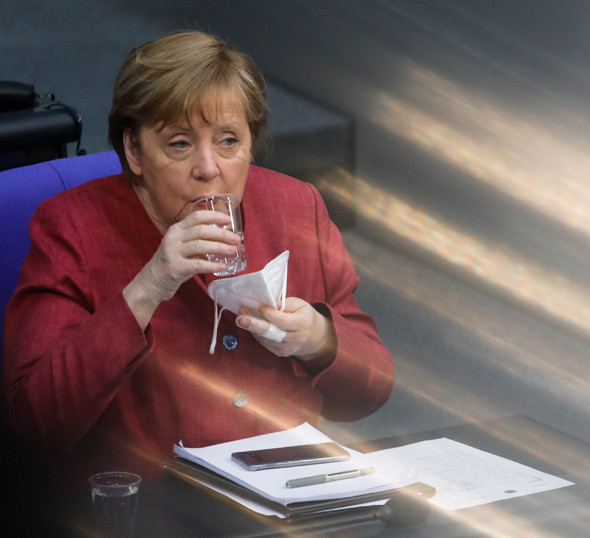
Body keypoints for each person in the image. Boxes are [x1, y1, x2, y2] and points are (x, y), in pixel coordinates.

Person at [0, 31, 394, 491]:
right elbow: (36, 424)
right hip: (149, 503)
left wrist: (318, 339)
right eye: (180, 144)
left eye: (228, 141)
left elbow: (370, 392)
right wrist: (148, 287)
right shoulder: (73, 226)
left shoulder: (296, 207)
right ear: (134, 151)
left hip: (285, 497)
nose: (208, 168)